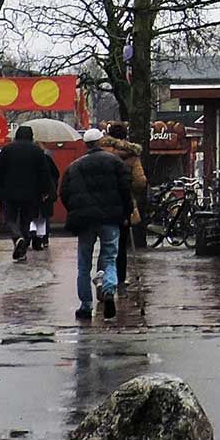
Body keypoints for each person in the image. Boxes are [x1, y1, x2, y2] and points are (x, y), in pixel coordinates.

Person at [60, 136, 133, 321]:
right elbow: (126, 188)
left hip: (85, 220)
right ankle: (108, 289)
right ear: (101, 142)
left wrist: (75, 211)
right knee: (109, 257)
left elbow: (65, 193)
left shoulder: (74, 166)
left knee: (83, 264)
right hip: (110, 218)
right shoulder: (115, 162)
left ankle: (85, 306)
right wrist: (126, 212)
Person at [0, 124, 52, 262]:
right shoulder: (37, 151)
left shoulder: (7, 149)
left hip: (10, 191)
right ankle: (22, 249)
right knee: (26, 221)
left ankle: (16, 237)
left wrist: (2, 185)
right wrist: (44, 190)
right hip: (31, 193)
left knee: (10, 218)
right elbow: (44, 172)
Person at [104, 124, 148, 287]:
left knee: (105, 243)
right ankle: (120, 278)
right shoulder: (131, 156)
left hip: (103, 203)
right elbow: (140, 181)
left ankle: (104, 277)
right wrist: (130, 190)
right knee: (121, 244)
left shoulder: (101, 153)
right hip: (123, 203)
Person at [29, 140, 59, 255]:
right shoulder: (47, 159)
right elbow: (55, 174)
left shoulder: (28, 161)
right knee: (43, 217)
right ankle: (43, 239)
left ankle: (32, 234)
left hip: (31, 192)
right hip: (45, 192)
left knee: (31, 216)